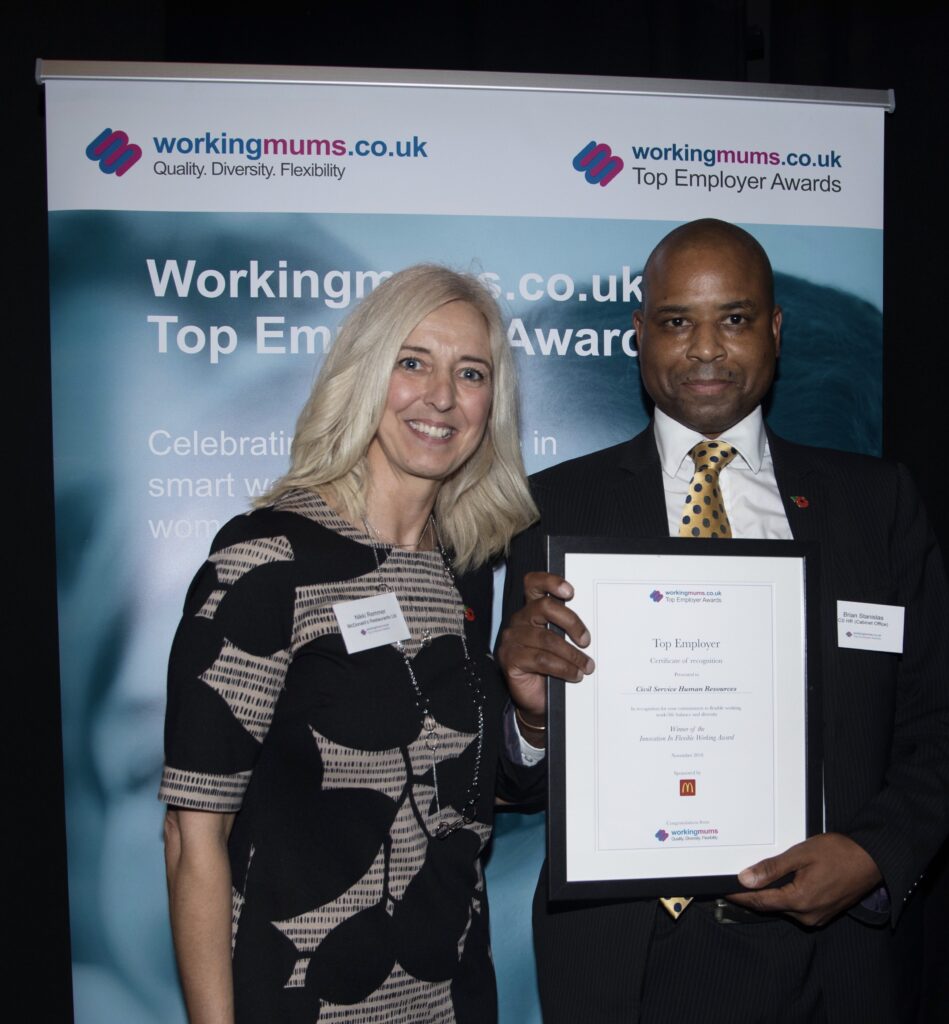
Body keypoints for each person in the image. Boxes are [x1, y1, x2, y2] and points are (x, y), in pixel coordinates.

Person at [498, 219, 949, 1023]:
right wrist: (530, 721)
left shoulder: (876, 505)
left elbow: (935, 723)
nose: (705, 348)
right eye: (676, 322)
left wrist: (872, 855)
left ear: (774, 332)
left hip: (835, 954)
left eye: (734, 319)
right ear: (639, 336)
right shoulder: (555, 508)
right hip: (629, 959)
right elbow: (518, 784)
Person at [159, 264, 544, 1023]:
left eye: (470, 373)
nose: (440, 396)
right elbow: (191, 833)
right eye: (412, 362)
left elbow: (463, 795)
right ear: (365, 373)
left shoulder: (463, 571)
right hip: (299, 997)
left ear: (490, 404)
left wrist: (529, 720)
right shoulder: (267, 560)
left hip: (452, 998)